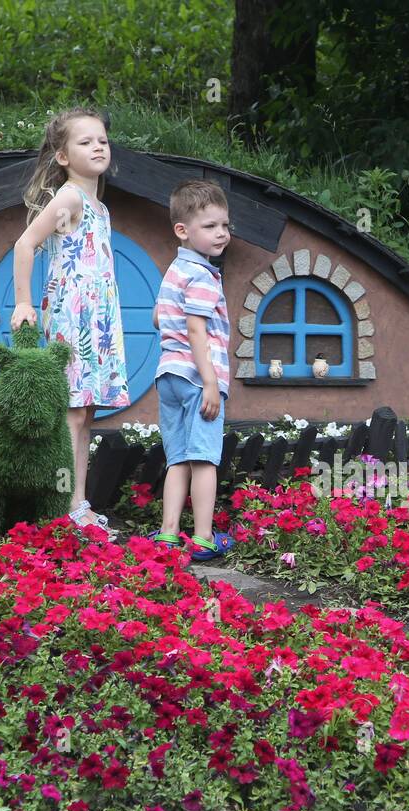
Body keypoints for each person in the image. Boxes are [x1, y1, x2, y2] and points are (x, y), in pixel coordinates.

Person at [10, 107, 130, 539]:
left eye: (102, 140)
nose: (98, 146)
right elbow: (26, 244)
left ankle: (78, 503)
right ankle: (61, 504)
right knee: (72, 414)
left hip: (96, 321)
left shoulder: (99, 206)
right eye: (85, 142)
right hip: (72, 319)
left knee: (86, 412)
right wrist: (23, 302)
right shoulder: (70, 198)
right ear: (62, 156)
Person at [149, 179, 237, 562]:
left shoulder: (175, 270)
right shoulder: (203, 276)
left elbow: (157, 317)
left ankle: (168, 533)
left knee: (178, 458)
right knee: (204, 458)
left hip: (168, 374)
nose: (221, 233)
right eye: (210, 226)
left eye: (225, 225)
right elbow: (196, 329)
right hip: (197, 378)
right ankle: (203, 537)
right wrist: (211, 382)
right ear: (183, 231)